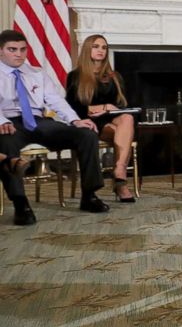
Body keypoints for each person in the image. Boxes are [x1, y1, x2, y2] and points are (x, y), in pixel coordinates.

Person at [0, 29, 108, 224]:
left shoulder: (36, 73)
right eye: (12, 49)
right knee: (5, 144)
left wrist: (75, 120)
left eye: (23, 49)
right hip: (9, 122)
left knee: (86, 134)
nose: (18, 54)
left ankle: (89, 195)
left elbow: (55, 100)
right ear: (1, 51)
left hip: (38, 121)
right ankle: (20, 204)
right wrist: (2, 122)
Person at [65, 35, 136, 202]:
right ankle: (121, 184)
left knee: (127, 118)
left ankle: (119, 171)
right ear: (88, 49)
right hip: (90, 122)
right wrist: (102, 107)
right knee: (123, 128)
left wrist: (110, 108)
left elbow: (123, 104)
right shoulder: (75, 76)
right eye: (96, 46)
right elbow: (73, 106)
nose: (100, 51)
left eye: (104, 48)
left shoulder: (114, 76)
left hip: (114, 119)